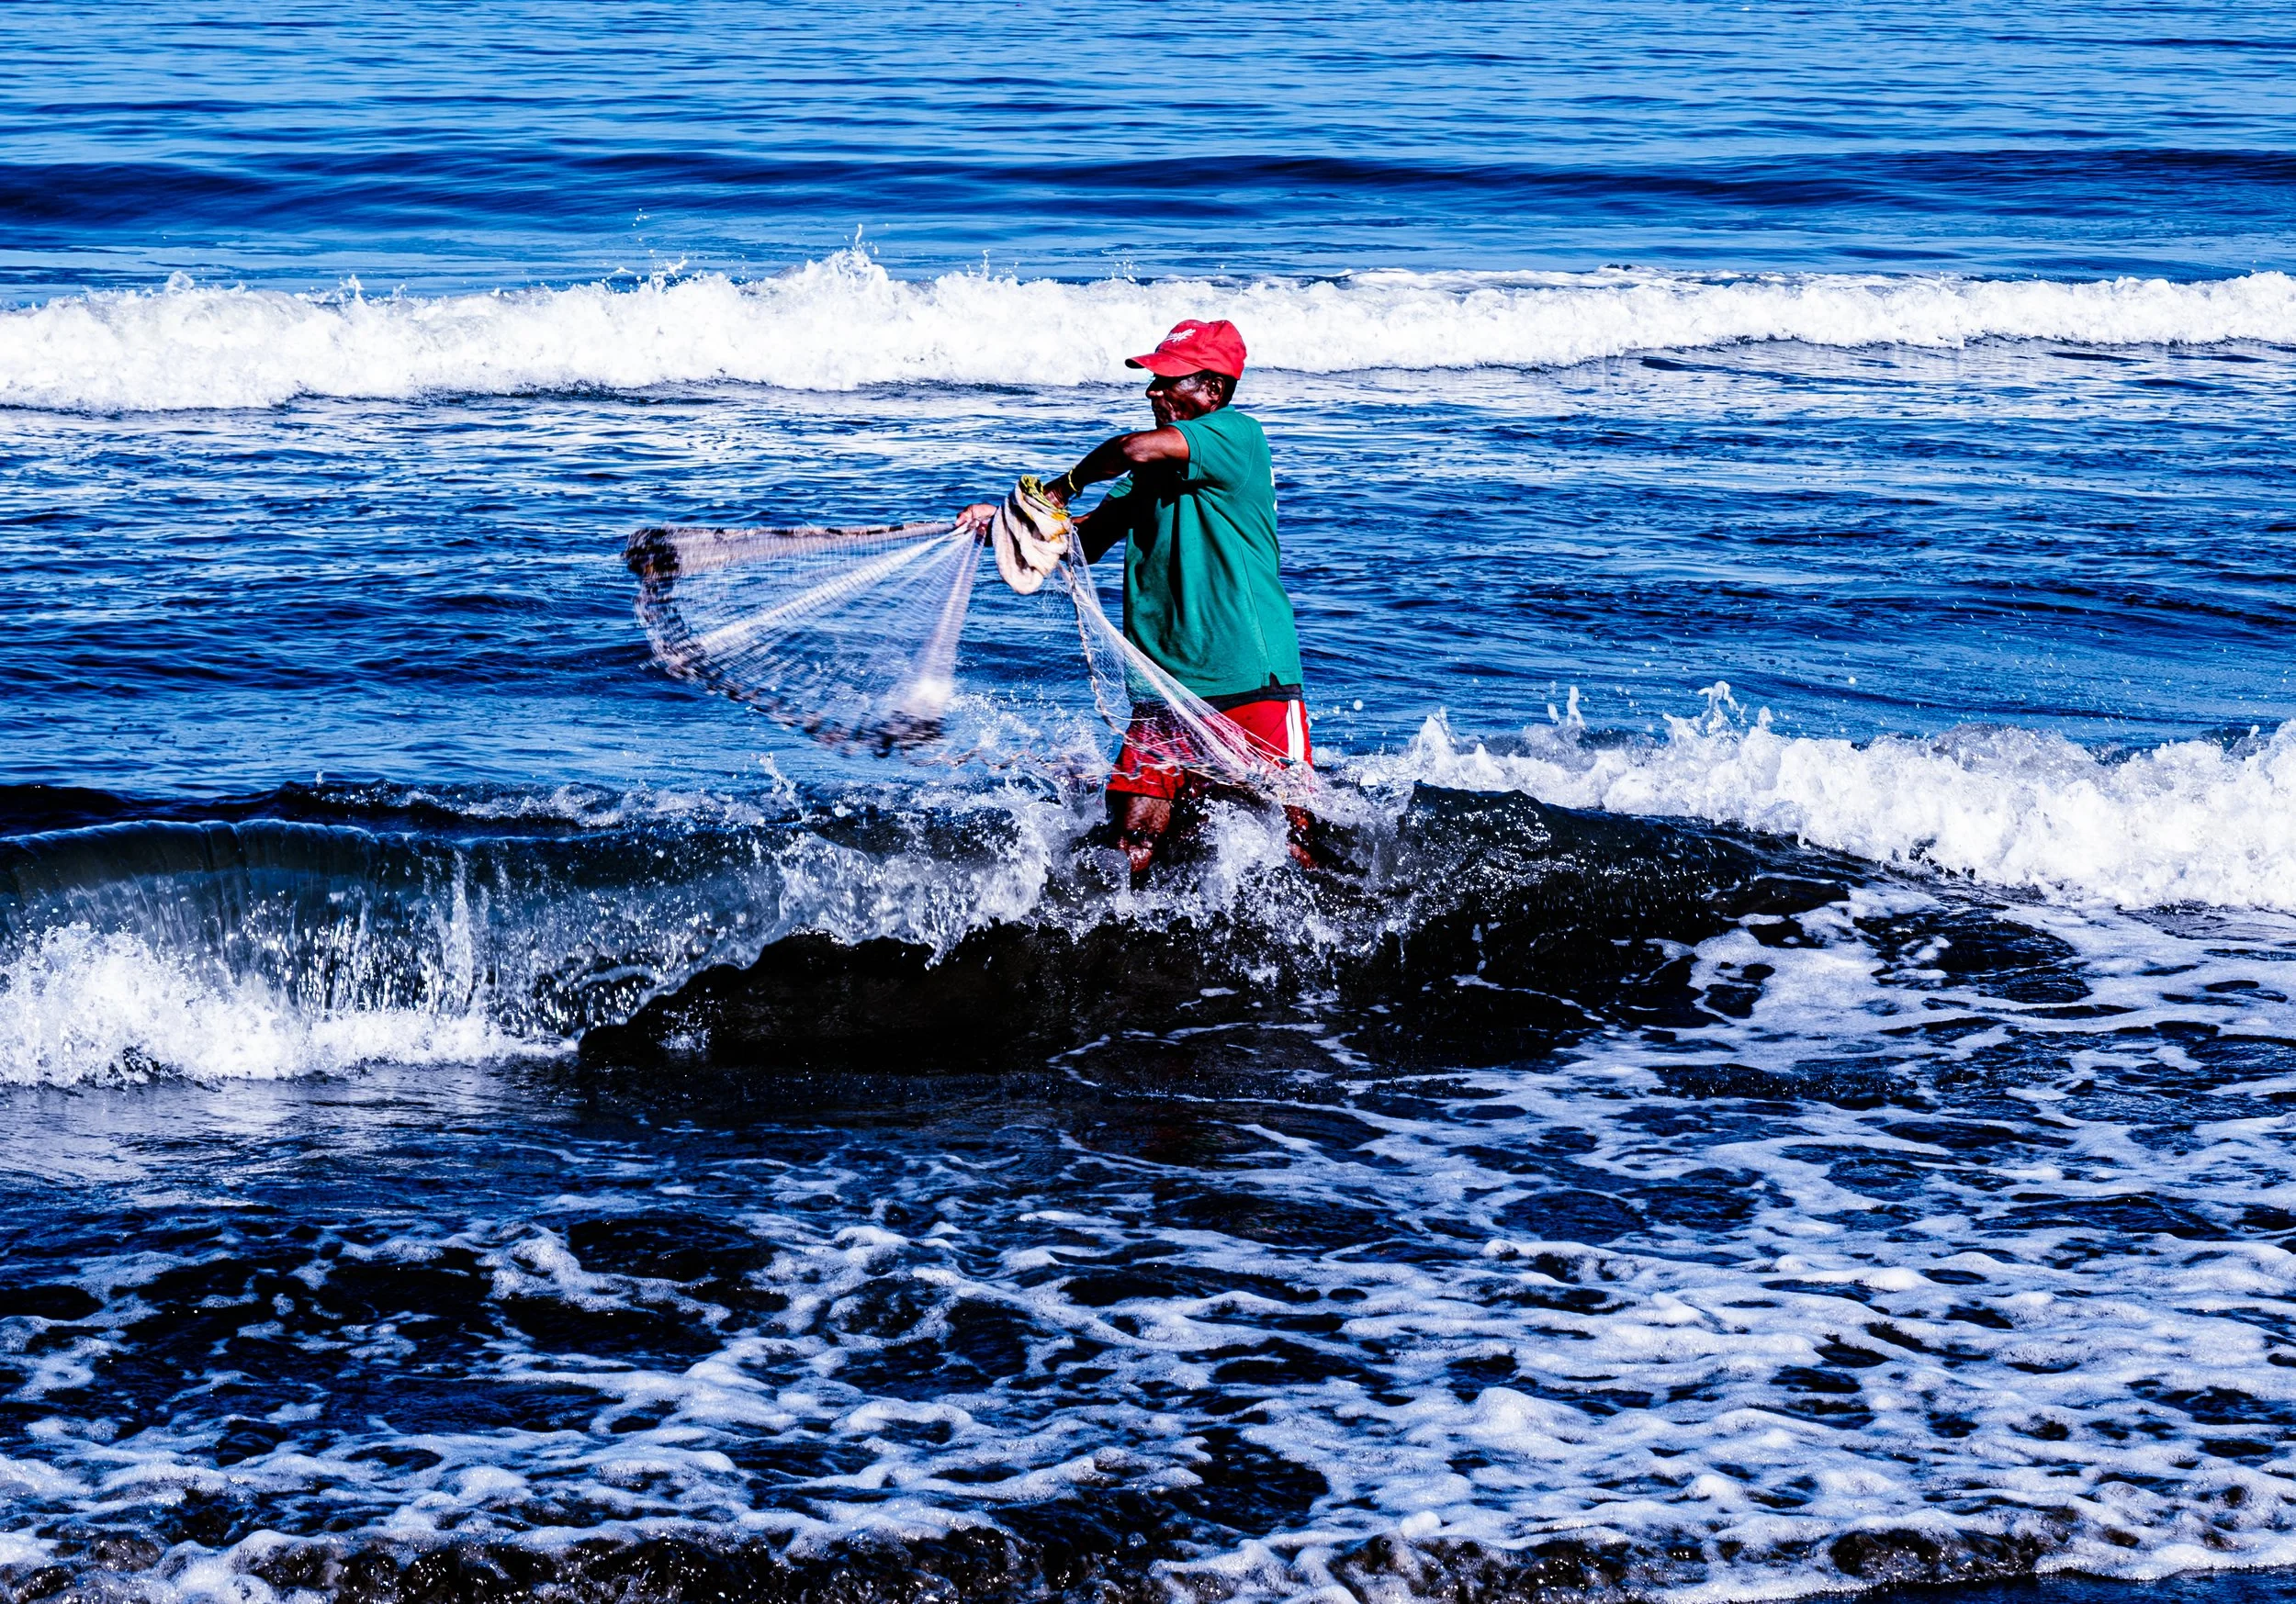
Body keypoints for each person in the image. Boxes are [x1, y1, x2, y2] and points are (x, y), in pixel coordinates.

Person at [958, 318, 1311, 875]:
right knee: (1132, 843)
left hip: (1248, 678)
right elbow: (1082, 542)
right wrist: (1007, 523)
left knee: (1292, 843)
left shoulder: (1236, 435)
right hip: (1162, 687)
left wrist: (1058, 486)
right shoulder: (1143, 479)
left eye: (1169, 379)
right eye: (1152, 379)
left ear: (1212, 389)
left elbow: (1129, 448)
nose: (1152, 390)